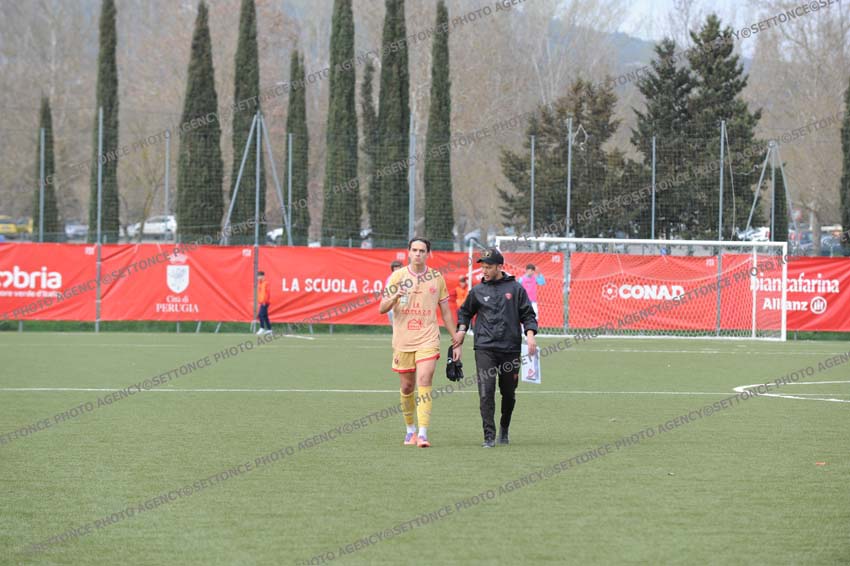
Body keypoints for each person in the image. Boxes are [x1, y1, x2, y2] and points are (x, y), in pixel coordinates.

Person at [379, 238, 459, 448]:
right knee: (407, 386)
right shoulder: (397, 277)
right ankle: (410, 430)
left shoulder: (436, 277)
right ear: (408, 252)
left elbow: (446, 312)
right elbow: (381, 308)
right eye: (414, 250)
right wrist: (395, 296)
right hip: (403, 340)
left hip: (428, 337)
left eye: (422, 251)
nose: (418, 254)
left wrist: (455, 338)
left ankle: (423, 433)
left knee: (425, 378)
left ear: (428, 254)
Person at [455, 248, 538, 448]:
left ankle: (504, 427)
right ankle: (489, 437)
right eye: (482, 267)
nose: (484, 270)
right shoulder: (477, 291)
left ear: (500, 267)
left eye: (488, 267)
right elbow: (465, 313)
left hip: (510, 348)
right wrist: (462, 330)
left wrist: (530, 335)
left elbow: (528, 314)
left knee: (508, 393)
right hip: (484, 347)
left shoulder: (516, 289)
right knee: (486, 391)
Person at [256, 271, 272, 335]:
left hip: (265, 302)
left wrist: (264, 301)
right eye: (257, 276)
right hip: (262, 302)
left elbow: (266, 294)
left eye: (259, 276)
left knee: (261, 315)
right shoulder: (260, 283)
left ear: (262, 276)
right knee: (265, 316)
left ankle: (262, 328)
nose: (258, 277)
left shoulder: (265, 283)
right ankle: (269, 329)